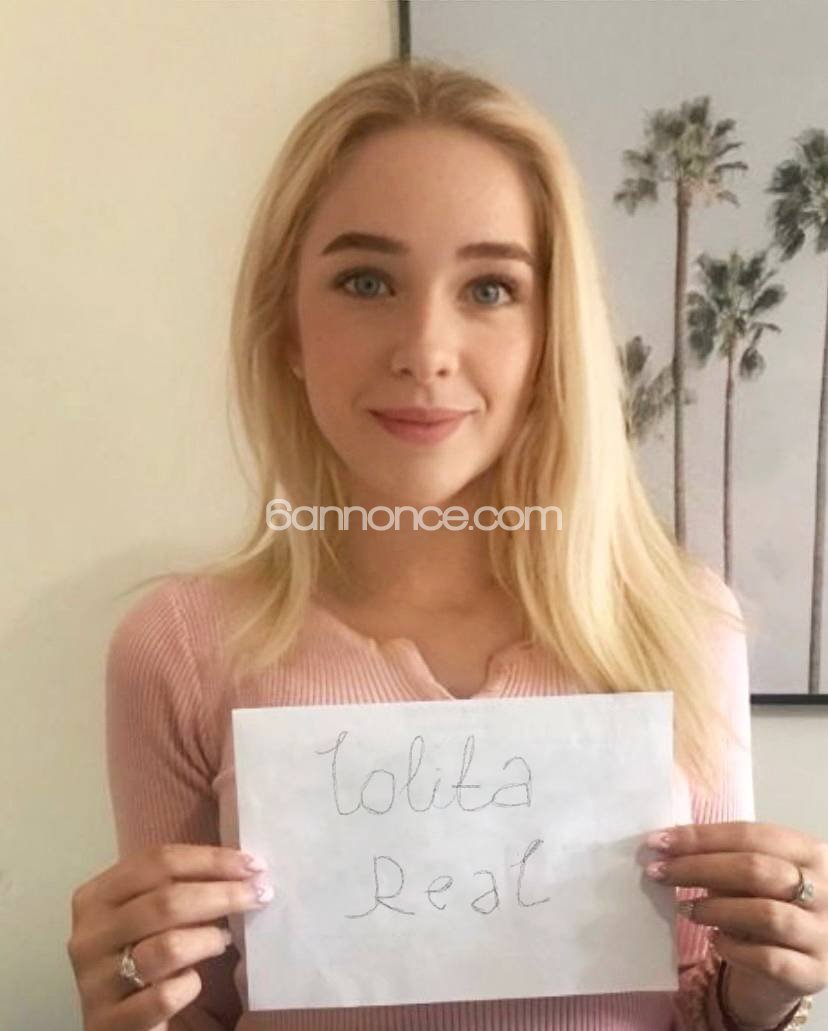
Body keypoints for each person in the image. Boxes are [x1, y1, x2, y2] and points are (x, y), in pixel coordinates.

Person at [67, 57, 825, 1031]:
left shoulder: (679, 620)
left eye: (491, 288)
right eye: (366, 280)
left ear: (550, 333)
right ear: (285, 322)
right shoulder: (178, 645)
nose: (425, 349)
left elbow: (698, 1003)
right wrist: (132, 1004)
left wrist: (765, 990)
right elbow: (196, 1008)